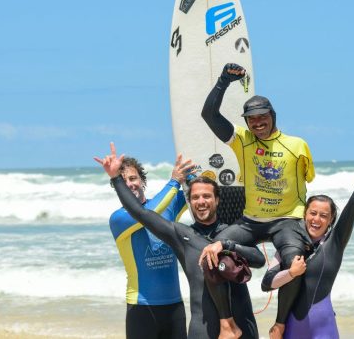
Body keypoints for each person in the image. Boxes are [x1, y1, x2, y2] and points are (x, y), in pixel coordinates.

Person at [95, 143, 265, 339]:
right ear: (189, 202)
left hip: (234, 323)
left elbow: (259, 259)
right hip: (183, 320)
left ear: (217, 200)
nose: (201, 201)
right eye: (195, 198)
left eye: (207, 196)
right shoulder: (181, 236)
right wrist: (116, 178)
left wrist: (226, 244)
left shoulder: (233, 232)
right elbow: (141, 213)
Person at [200, 63, 315, 338]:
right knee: (209, 256)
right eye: (251, 119)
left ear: (272, 116)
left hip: (287, 220)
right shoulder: (243, 140)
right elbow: (209, 114)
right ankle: (228, 325)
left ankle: (279, 325)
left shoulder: (297, 145)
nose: (257, 123)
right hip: (251, 221)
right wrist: (224, 81)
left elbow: (308, 181)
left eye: (263, 117)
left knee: (295, 263)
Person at [261, 144, 354, 339]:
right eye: (312, 213)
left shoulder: (335, 243)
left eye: (323, 215)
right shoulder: (290, 245)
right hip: (293, 326)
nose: (316, 219)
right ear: (305, 214)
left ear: (330, 220)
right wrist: (291, 273)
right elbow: (267, 283)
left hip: (323, 326)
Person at [105, 152, 193, 339]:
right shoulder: (119, 219)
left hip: (175, 306)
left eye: (133, 178)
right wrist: (173, 181)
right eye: (123, 180)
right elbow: (148, 213)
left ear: (142, 180)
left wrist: (190, 170)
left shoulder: (168, 205)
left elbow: (195, 192)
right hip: (142, 307)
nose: (129, 184)